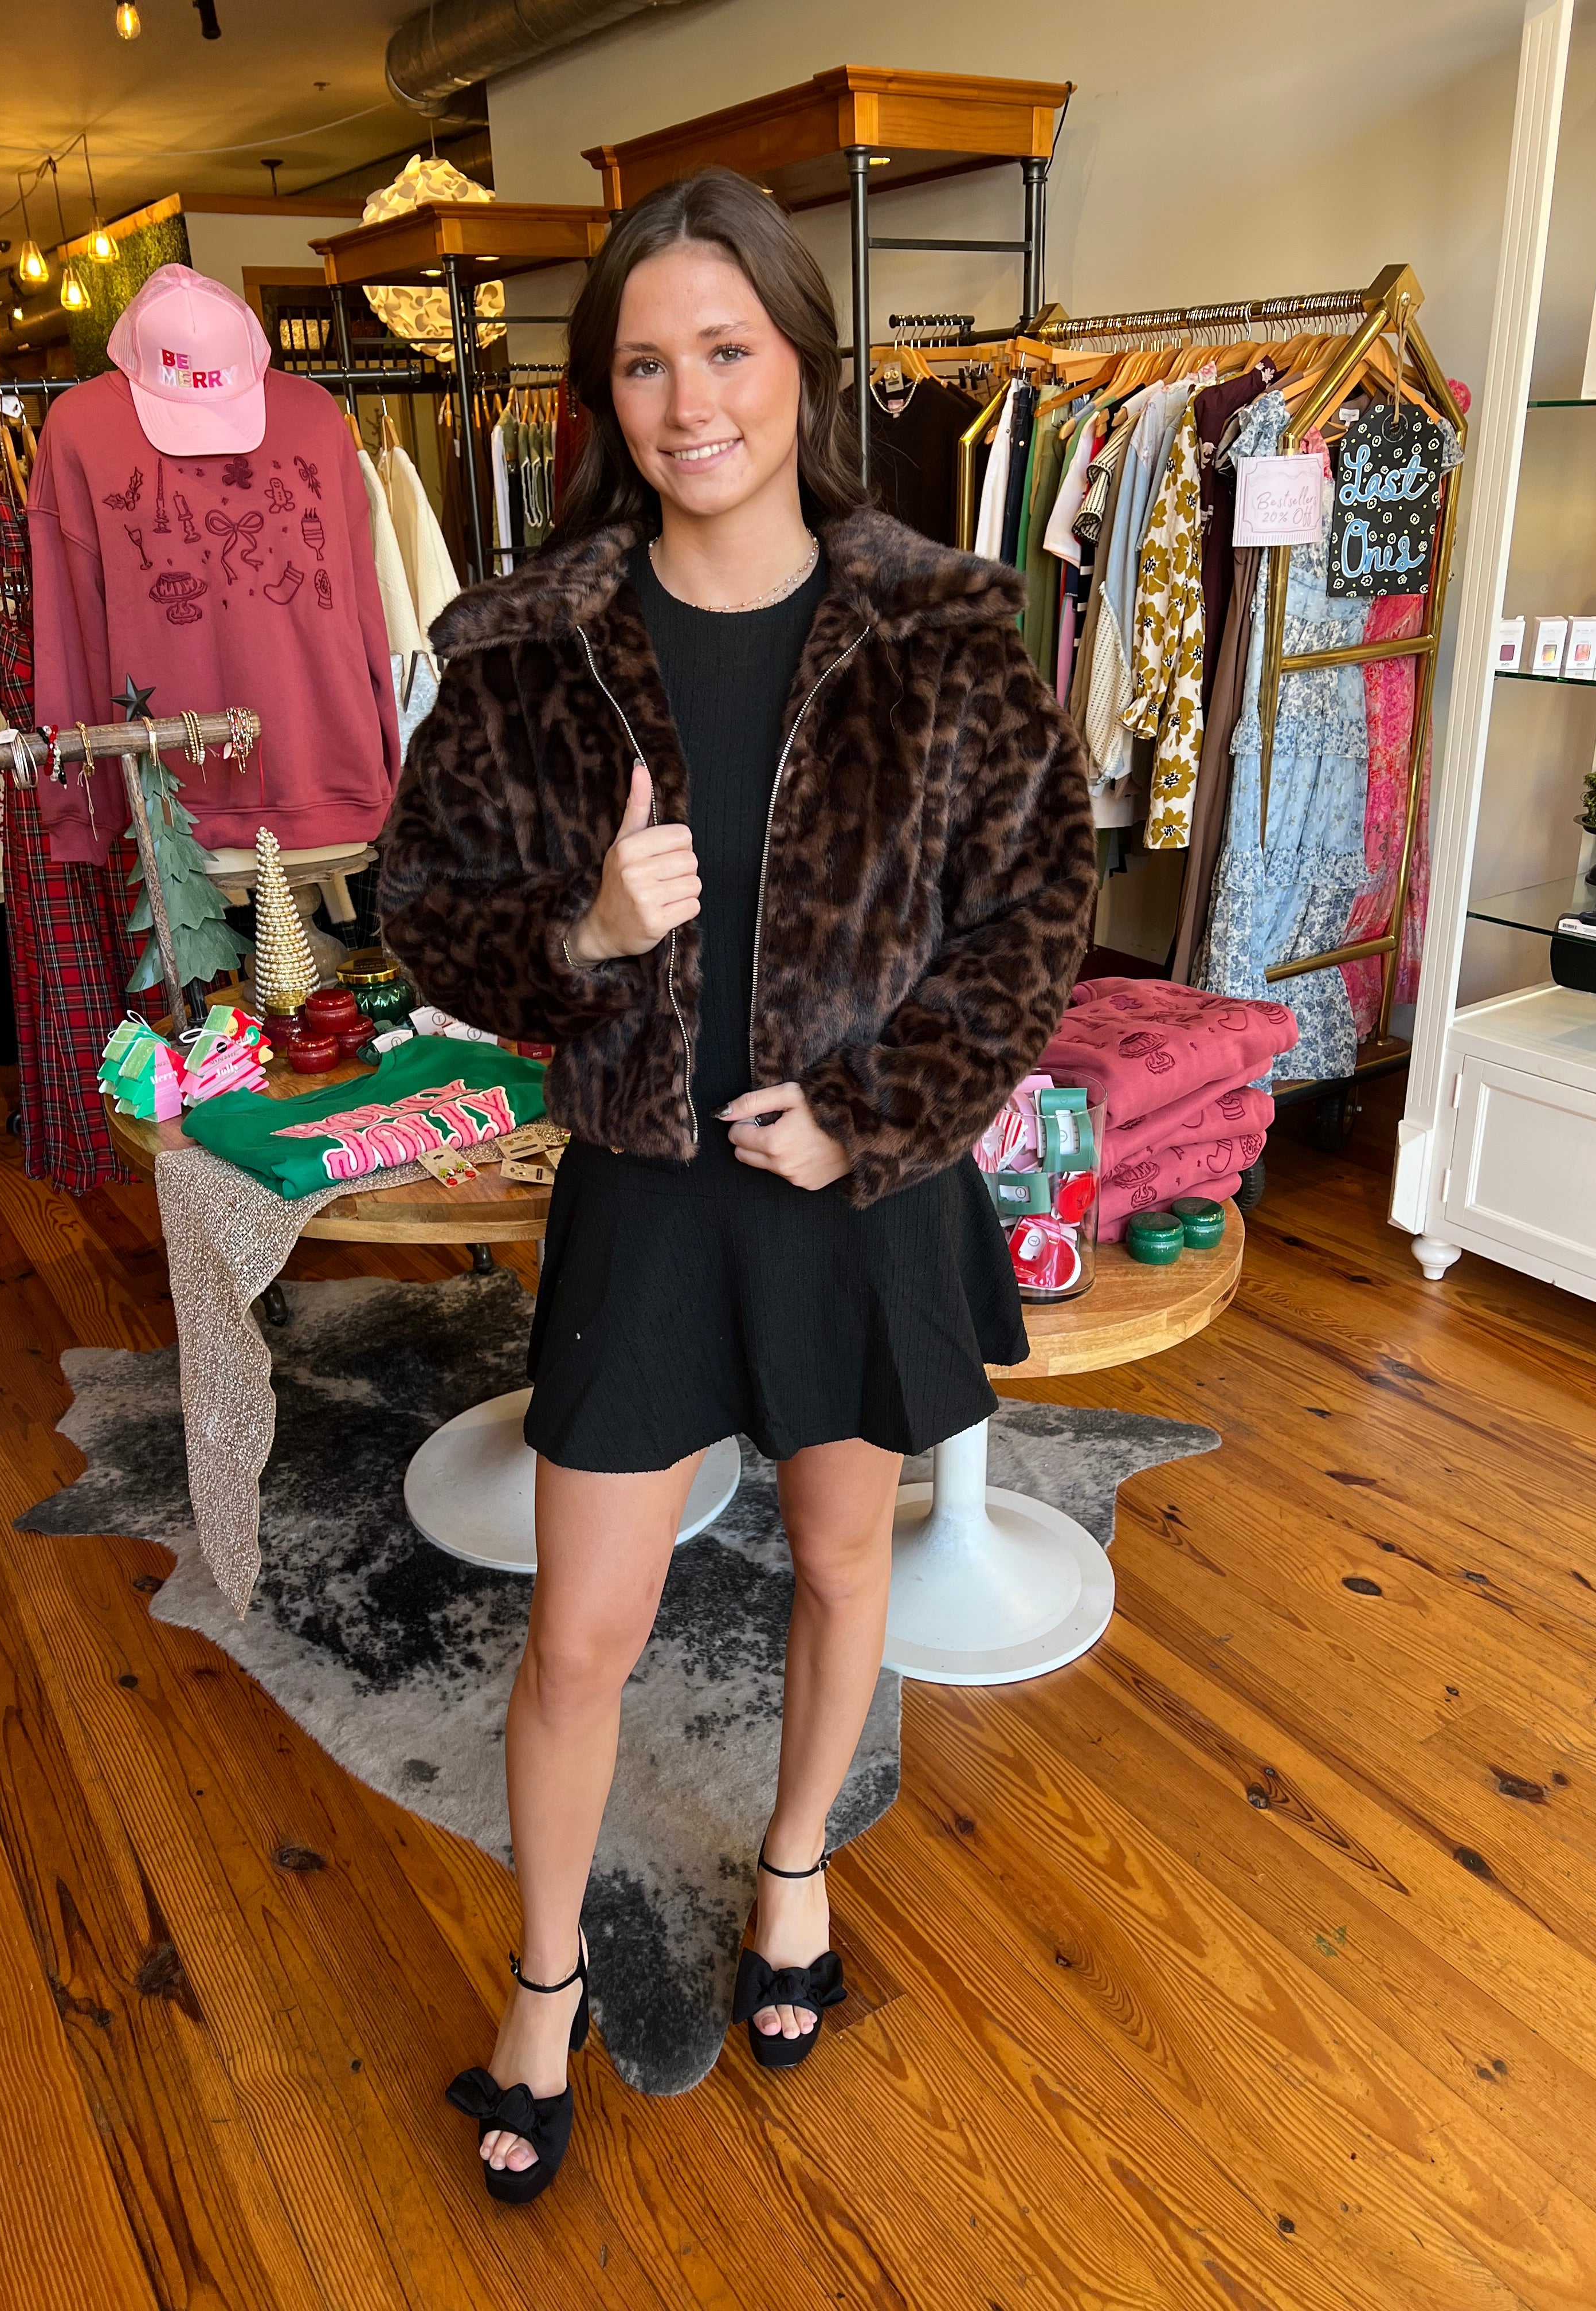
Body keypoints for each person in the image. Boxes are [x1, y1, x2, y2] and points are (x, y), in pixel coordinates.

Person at [378, 166, 1096, 2204]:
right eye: (644, 364)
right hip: (645, 1188)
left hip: (855, 1188)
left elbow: (1037, 909)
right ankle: (543, 1988)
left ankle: (793, 1875)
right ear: (602, 398)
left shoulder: (942, 631)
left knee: (846, 1565)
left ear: (801, 362)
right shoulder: (533, 648)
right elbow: (421, 901)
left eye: (727, 351)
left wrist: (878, 1107)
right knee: (580, 1637)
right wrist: (586, 931)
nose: (690, 403)